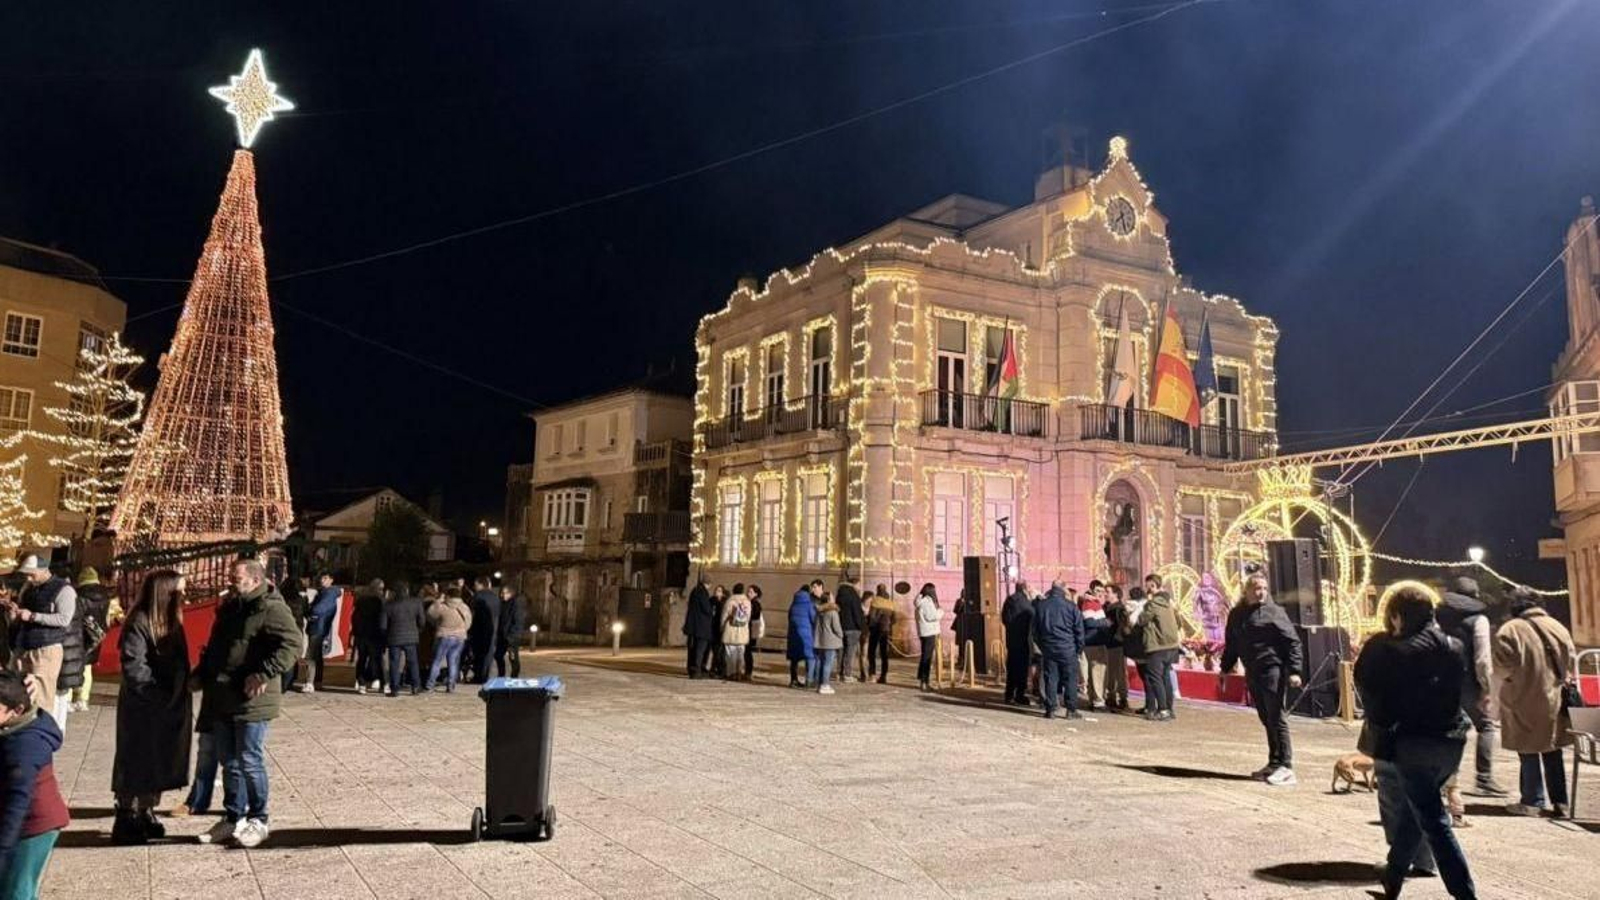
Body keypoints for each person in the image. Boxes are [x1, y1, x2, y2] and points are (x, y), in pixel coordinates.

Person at [1354, 585, 1477, 900]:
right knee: (1419, 807)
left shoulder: (1392, 651)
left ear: (1397, 616)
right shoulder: (1454, 646)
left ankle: (1465, 894)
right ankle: (1393, 874)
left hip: (1414, 743)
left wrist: (1384, 729)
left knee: (1434, 822)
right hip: (1452, 741)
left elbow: (1374, 696)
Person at [192, 559, 301, 849]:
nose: (230, 579)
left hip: (253, 697)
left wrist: (264, 672)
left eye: (236, 576)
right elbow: (217, 647)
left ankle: (259, 818)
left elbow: (293, 643)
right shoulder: (231, 607)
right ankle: (233, 817)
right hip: (223, 694)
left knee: (249, 759)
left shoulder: (271, 607)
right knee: (229, 760)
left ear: (254, 580)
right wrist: (201, 675)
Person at [112, 570, 192, 845]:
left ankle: (145, 809)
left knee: (158, 759)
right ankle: (125, 814)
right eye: (180, 591)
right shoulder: (140, 622)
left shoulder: (171, 622)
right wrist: (155, 693)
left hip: (167, 704)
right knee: (136, 759)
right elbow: (135, 666)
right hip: (144, 705)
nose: (184, 596)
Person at [1493, 588, 1577, 818]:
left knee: (1527, 748)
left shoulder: (1510, 630)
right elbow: (1570, 659)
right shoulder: (1557, 626)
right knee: (1553, 749)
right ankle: (1561, 802)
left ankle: (1532, 800)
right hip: (1554, 698)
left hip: (1522, 697)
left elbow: (1502, 666)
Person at [1220, 573, 1304, 786]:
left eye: (1265, 588)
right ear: (1246, 590)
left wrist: (1294, 671)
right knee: (1266, 717)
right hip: (1253, 670)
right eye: (1257, 588)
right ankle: (1274, 761)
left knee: (1276, 717)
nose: (1262, 592)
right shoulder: (1237, 615)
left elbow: (1293, 642)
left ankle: (1286, 765)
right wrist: (1224, 668)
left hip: (1272, 669)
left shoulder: (1274, 612)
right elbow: (1232, 643)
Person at [0, 671, 68, 899]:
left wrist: (3, 848)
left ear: (16, 710)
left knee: (16, 890)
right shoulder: (18, 722)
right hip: (20, 819)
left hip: (35, 825)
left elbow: (17, 803)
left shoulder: (25, 748)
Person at [1436, 576, 1504, 797]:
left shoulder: (1438, 618)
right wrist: (1486, 686)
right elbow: (1482, 658)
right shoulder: (1479, 620)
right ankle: (1484, 778)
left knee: (1450, 730)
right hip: (1469, 683)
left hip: (1443, 682)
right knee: (1486, 726)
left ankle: (1448, 778)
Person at [4, 555, 76, 719]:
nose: (28, 578)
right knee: (18, 692)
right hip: (23, 647)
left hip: (46, 649)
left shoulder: (64, 590)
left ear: (44, 570)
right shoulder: (28, 587)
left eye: (32, 574)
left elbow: (64, 619)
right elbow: (23, 613)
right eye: (26, 574)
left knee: (40, 696)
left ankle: (39, 731)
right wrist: (15, 614)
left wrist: (33, 616)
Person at [1032, 581, 1086, 720]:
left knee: (1051, 678)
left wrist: (1043, 646)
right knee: (1070, 679)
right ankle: (1071, 710)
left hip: (1049, 648)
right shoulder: (1071, 607)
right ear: (1062, 589)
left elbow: (1035, 632)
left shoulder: (1041, 606)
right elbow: (1079, 630)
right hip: (1068, 648)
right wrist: (1078, 649)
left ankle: (1050, 709)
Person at [68, 568, 111, 713]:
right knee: (87, 668)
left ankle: (69, 699)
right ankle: (83, 699)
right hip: (96, 635)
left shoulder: (77, 594)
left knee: (70, 665)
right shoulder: (106, 595)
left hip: (78, 634)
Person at [1136, 586, 1182, 721]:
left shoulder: (1152, 605)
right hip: (1172, 646)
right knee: (1165, 677)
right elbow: (1179, 623)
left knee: (1155, 678)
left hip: (1157, 646)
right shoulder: (1170, 606)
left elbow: (1141, 620)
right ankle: (1169, 709)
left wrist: (1142, 608)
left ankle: (1162, 710)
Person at [424, 586, 472, 692]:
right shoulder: (464, 607)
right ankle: (451, 685)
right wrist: (461, 631)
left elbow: (429, 614)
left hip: (444, 636)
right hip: (460, 638)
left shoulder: (442, 607)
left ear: (448, 596)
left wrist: (437, 602)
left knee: (437, 661)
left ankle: (430, 684)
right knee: (453, 662)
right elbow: (468, 623)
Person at [382, 582, 426, 696]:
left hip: (394, 637)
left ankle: (394, 689)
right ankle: (416, 686)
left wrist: (386, 635)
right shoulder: (416, 602)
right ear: (407, 591)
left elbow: (383, 625)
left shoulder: (389, 605)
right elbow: (422, 621)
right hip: (411, 637)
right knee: (413, 662)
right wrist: (418, 631)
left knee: (394, 663)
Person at [301, 574, 340, 693]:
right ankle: (317, 681)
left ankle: (309, 682)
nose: (322, 581)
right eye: (321, 578)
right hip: (319, 626)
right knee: (317, 655)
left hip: (318, 627)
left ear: (331, 580)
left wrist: (311, 614)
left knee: (311, 655)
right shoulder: (323, 593)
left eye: (326, 578)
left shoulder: (329, 593)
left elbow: (318, 609)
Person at [1078, 582, 1111, 711]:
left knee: (1094, 673)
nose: (1100, 593)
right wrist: (1106, 622)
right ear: (1091, 590)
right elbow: (1090, 622)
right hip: (1095, 641)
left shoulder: (1093, 603)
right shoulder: (1090, 604)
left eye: (1102, 591)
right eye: (1097, 590)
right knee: (1098, 672)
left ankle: (1094, 699)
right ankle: (1098, 701)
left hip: (1093, 641)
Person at [1001, 580, 1034, 705]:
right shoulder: (1026, 602)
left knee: (1012, 667)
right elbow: (1032, 616)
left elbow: (1004, 618)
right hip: (1024, 639)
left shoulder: (1009, 600)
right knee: (1022, 669)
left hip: (1012, 639)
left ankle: (1009, 694)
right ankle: (1020, 694)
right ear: (1025, 589)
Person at [350, 579, 386, 694]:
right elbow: (382, 620)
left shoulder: (361, 601)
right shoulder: (380, 602)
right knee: (377, 659)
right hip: (375, 635)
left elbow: (354, 617)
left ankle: (361, 682)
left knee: (362, 659)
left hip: (362, 634)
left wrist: (355, 632)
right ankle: (380, 682)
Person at [466, 577, 500, 685]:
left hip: (478, 631)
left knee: (478, 654)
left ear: (480, 585)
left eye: (475, 585)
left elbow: (471, 615)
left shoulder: (477, 597)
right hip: (493, 631)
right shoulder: (496, 598)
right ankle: (485, 676)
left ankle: (478, 676)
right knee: (488, 654)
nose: (474, 587)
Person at [278, 576, 309, 693]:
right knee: (294, 655)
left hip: (282, 628)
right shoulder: (302, 599)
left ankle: (283, 683)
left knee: (283, 654)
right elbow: (307, 612)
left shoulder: (280, 598)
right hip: (297, 628)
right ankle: (290, 681)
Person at [1102, 584, 1130, 711]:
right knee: (1110, 672)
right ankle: (1111, 696)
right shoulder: (1107, 608)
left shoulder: (1118, 609)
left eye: (1108, 591)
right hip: (1108, 644)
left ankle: (1122, 698)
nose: (1105, 593)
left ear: (1116, 594)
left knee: (1118, 672)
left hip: (1117, 644)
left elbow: (1122, 626)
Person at [682, 580, 717, 679]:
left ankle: (691, 669)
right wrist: (712, 609)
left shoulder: (694, 591)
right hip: (701, 628)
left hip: (692, 627)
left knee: (692, 649)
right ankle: (697, 670)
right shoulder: (703, 593)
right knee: (700, 650)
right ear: (708, 583)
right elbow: (707, 609)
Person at [787, 582, 819, 688]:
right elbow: (814, 619)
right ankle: (809, 680)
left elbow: (789, 617)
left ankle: (793, 680)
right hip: (806, 635)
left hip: (793, 633)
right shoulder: (809, 604)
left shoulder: (793, 604)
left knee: (794, 659)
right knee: (810, 657)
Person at [812, 589, 843, 694]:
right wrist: (841, 635)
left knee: (820, 662)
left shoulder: (819, 611)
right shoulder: (833, 612)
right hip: (830, 641)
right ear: (829, 600)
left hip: (820, 640)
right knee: (828, 663)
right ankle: (825, 685)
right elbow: (836, 628)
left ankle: (819, 683)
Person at [835, 578, 865, 683]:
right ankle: (847, 674)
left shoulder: (839, 594)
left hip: (842, 626)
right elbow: (856, 612)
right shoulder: (853, 595)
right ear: (854, 584)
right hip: (853, 627)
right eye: (859, 585)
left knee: (841, 651)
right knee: (850, 652)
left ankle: (839, 673)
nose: (860, 588)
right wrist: (861, 626)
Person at [494, 585, 527, 679]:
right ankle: (501, 675)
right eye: (502, 593)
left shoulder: (516, 604)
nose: (502, 595)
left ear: (510, 593)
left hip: (511, 637)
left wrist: (512, 636)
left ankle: (514, 676)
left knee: (513, 657)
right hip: (502, 635)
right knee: (498, 655)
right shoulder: (502, 604)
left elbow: (518, 621)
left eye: (504, 593)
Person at [721, 584, 752, 681]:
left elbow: (724, 616)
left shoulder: (730, 601)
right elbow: (748, 618)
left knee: (730, 653)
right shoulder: (747, 602)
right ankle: (739, 672)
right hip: (742, 630)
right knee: (740, 653)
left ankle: (731, 673)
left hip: (731, 629)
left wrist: (721, 627)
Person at [914, 583, 942, 691]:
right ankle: (924, 682)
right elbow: (931, 617)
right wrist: (940, 611)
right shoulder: (926, 602)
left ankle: (923, 680)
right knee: (927, 658)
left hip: (925, 632)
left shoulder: (921, 601)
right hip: (929, 632)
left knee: (925, 657)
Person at [866, 585, 895, 684]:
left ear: (877, 590)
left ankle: (872, 674)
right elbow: (894, 619)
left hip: (875, 630)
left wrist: (870, 625)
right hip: (886, 630)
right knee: (884, 654)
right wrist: (888, 624)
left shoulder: (875, 601)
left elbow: (872, 617)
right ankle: (883, 676)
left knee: (872, 652)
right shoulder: (891, 603)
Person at [743, 584, 765, 681]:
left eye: (751, 592)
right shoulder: (750, 602)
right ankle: (747, 671)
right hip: (749, 630)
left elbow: (754, 617)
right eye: (748, 591)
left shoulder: (755, 604)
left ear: (756, 594)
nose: (748, 593)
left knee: (747, 652)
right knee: (746, 652)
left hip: (750, 631)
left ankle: (748, 672)